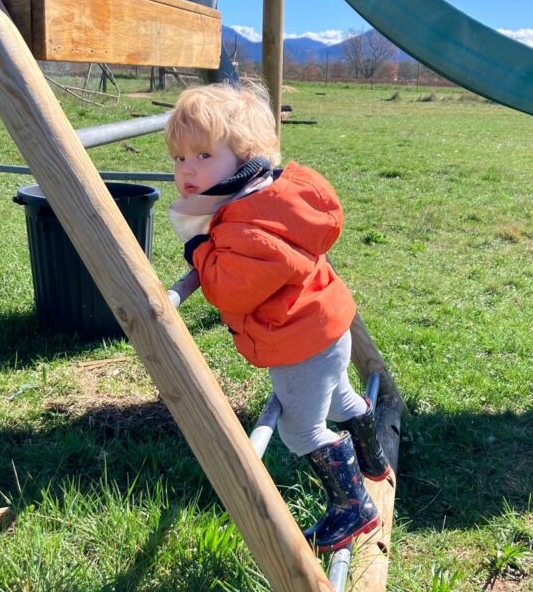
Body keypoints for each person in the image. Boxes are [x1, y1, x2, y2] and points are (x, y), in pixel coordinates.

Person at [164, 81, 391, 553]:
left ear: (245, 155)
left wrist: (197, 244)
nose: (188, 169)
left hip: (299, 343)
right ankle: (373, 461)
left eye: (204, 155)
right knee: (340, 399)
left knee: (299, 429)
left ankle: (353, 507)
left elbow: (228, 289)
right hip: (325, 326)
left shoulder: (248, 226)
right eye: (179, 157)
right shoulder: (269, 198)